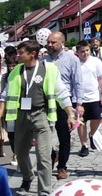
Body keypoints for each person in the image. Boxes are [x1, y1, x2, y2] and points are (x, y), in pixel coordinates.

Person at [0, 40, 77, 196]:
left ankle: (44, 192)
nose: (18, 55)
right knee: (20, 153)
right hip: (21, 117)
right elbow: (4, 97)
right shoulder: (16, 72)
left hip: (41, 115)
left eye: (21, 52)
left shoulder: (49, 70)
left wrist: (70, 114)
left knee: (43, 155)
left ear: (32, 54)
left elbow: (61, 93)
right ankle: (27, 177)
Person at [44, 31, 84, 180]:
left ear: (62, 43)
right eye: (48, 42)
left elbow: (77, 82)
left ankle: (62, 166)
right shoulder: (44, 61)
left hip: (64, 103)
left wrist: (79, 104)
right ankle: (53, 154)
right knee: (45, 134)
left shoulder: (71, 59)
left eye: (53, 42)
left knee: (64, 136)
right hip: (47, 102)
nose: (49, 45)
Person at [74, 40, 102, 157]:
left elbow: (100, 78)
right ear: (77, 52)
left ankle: (92, 134)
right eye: (82, 51)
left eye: (87, 50)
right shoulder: (74, 63)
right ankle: (84, 145)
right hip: (80, 98)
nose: (85, 53)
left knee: (98, 118)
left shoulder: (96, 62)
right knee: (80, 122)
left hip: (94, 96)